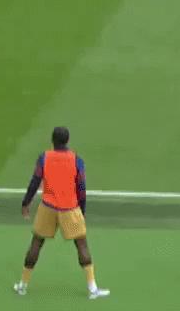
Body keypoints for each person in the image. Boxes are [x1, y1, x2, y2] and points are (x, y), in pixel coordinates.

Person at [16, 125, 109, 299]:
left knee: (36, 243)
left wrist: (26, 202)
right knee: (81, 245)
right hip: (70, 209)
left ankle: (22, 285)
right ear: (67, 141)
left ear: (52, 140)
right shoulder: (77, 160)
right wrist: (82, 209)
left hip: (48, 208)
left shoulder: (44, 158)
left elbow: (35, 181)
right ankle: (92, 289)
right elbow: (81, 187)